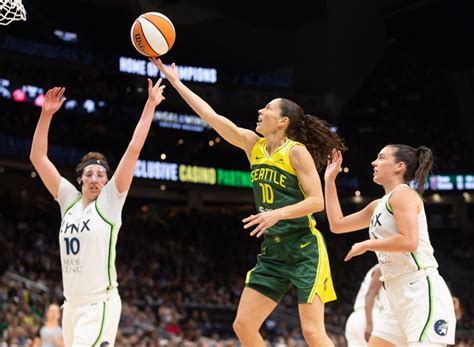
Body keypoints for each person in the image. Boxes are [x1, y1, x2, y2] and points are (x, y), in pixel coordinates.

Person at [150, 57, 346, 347]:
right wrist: (176, 82)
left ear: (283, 121)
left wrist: (276, 214)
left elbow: (317, 202)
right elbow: (212, 117)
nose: (260, 110)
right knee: (243, 325)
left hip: (304, 248)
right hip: (273, 252)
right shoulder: (253, 145)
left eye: (267, 108)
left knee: (313, 333)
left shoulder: (296, 152)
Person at [29, 79, 166, 346]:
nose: (94, 178)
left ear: (106, 181)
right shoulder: (68, 200)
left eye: (100, 175)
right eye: (89, 174)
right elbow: (38, 158)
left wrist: (150, 105)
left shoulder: (110, 202)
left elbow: (134, 148)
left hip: (98, 306)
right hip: (71, 307)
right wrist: (46, 115)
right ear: (79, 179)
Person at [324, 145, 457, 346]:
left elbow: (409, 241)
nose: (373, 162)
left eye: (381, 157)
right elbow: (337, 224)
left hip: (419, 290)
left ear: (399, 166)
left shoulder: (403, 193)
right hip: (394, 294)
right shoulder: (377, 205)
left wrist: (369, 243)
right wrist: (329, 181)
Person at [345, 264, 390, 346]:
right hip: (369, 317)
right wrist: (369, 323)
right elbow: (370, 295)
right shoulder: (381, 268)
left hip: (356, 317)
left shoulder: (380, 267)